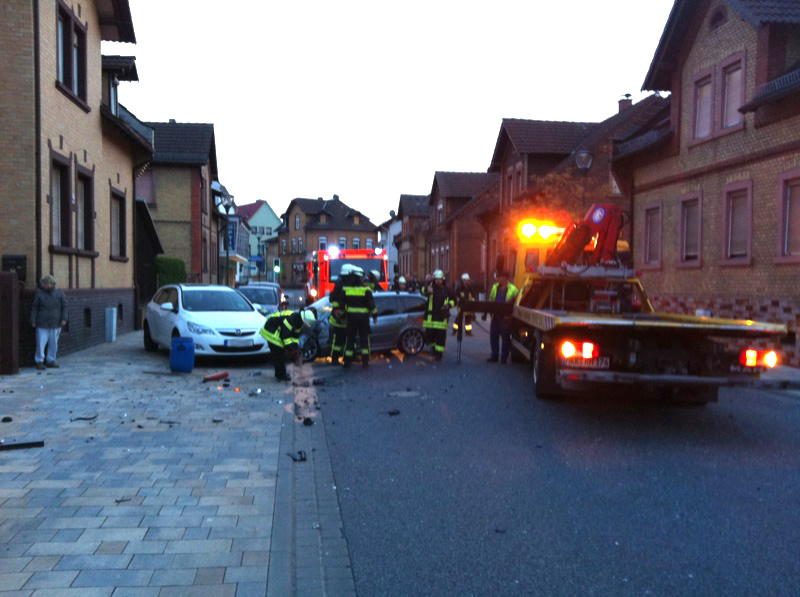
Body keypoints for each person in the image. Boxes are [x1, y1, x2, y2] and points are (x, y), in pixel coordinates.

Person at [260, 307, 316, 381]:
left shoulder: (298, 323)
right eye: (305, 323)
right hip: (270, 329)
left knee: (279, 353)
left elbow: (295, 336)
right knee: (278, 353)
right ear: (303, 319)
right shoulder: (291, 319)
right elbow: (285, 335)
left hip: (276, 330)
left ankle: (279, 374)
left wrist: (296, 347)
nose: (305, 325)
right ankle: (281, 375)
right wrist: (291, 348)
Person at [30, 274, 68, 370]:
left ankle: (51, 360)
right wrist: (33, 320)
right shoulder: (39, 294)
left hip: (55, 323)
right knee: (40, 343)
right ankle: (39, 361)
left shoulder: (60, 293)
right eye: (45, 283)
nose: (46, 285)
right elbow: (34, 308)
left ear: (53, 284)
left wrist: (64, 318)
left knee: (53, 343)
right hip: (42, 323)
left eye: (48, 283)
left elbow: (64, 307)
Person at [342, 266, 377, 368]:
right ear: (360, 278)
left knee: (350, 339)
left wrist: (343, 316)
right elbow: (371, 305)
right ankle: (365, 362)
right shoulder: (366, 290)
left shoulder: (346, 289)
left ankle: (347, 362)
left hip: (351, 318)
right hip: (363, 319)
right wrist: (375, 316)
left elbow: (342, 306)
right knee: (364, 339)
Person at [484, 271, 519, 363]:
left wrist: (510, 316)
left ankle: (504, 357)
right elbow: (491, 299)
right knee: (493, 336)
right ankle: (494, 355)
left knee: (505, 337)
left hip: (506, 317)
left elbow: (516, 305)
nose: (498, 279)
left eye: (499, 277)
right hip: (495, 316)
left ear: (505, 278)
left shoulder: (513, 289)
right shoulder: (495, 287)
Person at [422, 269, 455, 361]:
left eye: (440, 279)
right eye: (436, 279)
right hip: (430, 318)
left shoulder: (447, 290)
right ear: (433, 279)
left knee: (440, 338)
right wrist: (426, 290)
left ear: (443, 279)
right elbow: (422, 290)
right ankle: (433, 348)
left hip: (442, 318)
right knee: (429, 336)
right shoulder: (430, 288)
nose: (438, 281)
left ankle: (438, 354)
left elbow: (454, 300)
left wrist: (448, 305)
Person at [328, 264, 353, 365]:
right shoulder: (341, 284)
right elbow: (333, 300)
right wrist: (339, 310)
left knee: (344, 340)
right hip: (340, 318)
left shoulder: (340, 283)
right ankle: (335, 358)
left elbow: (332, 299)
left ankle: (344, 358)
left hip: (344, 317)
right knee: (339, 340)